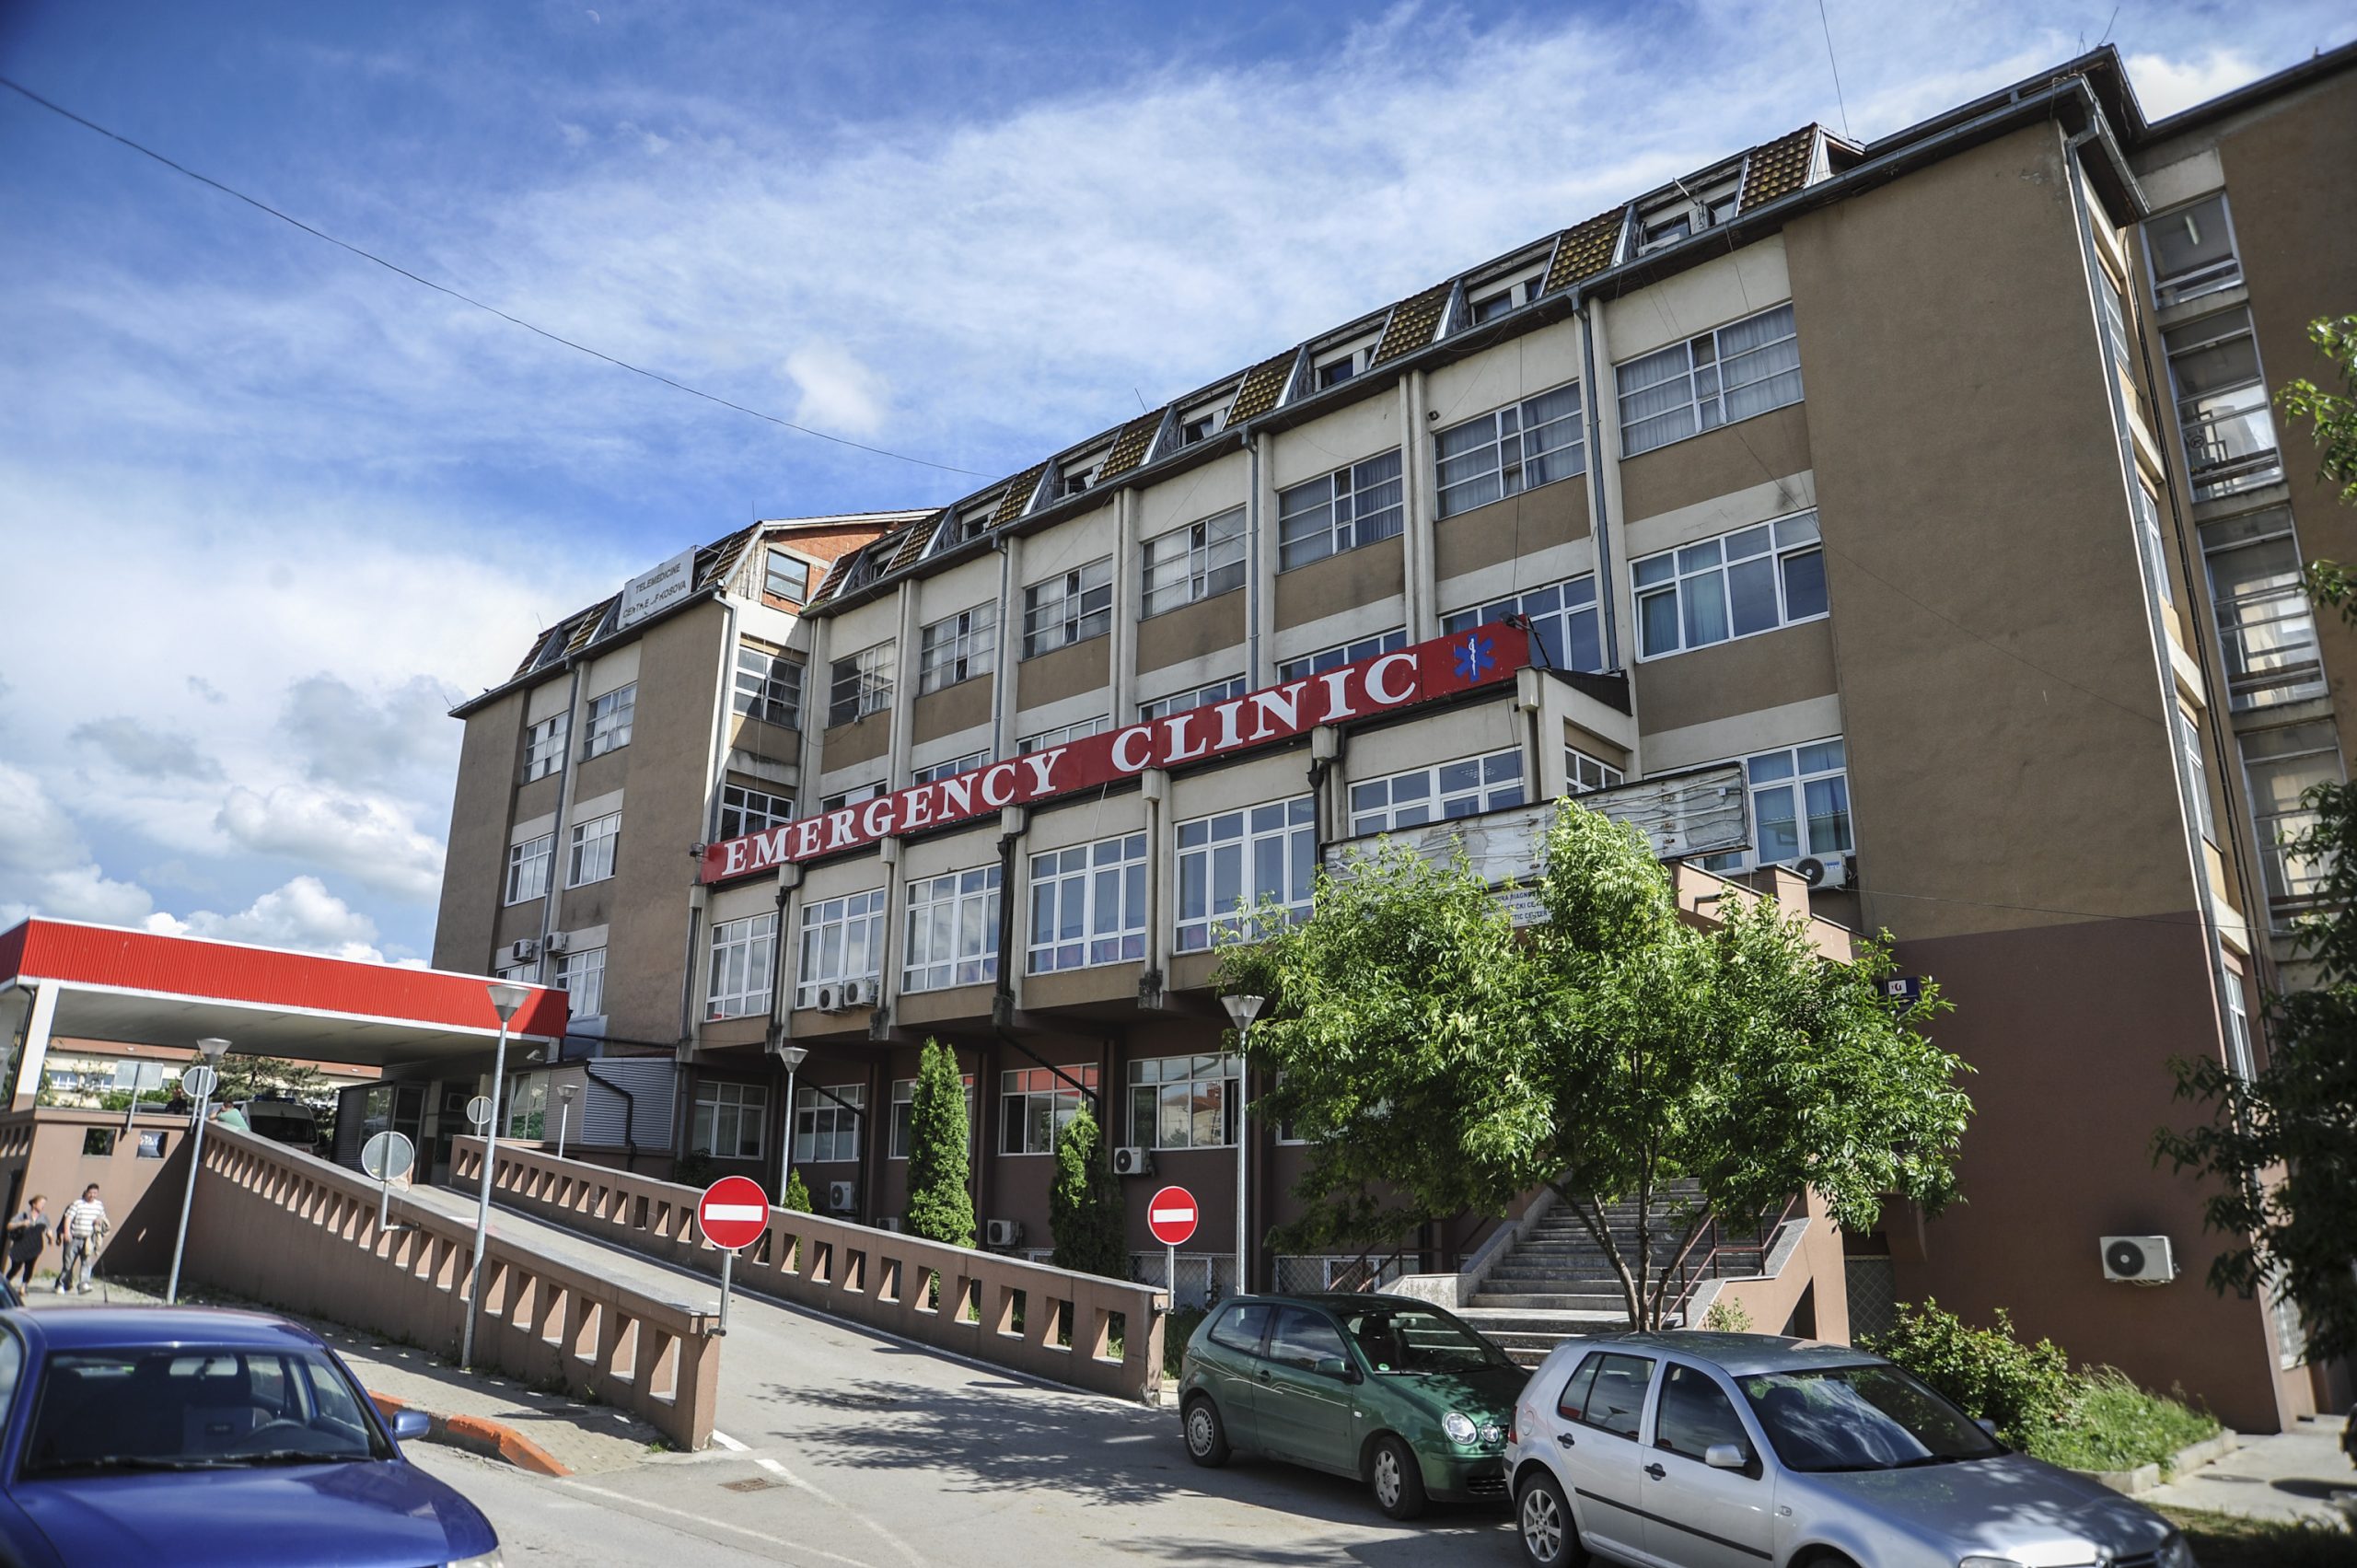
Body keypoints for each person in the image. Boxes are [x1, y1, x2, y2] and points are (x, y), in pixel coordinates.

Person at [54, 1184, 108, 1294]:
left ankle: (84, 1284)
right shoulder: (77, 1203)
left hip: (88, 1239)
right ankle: (61, 1284)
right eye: (90, 1193)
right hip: (74, 1238)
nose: (92, 1195)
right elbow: (68, 1218)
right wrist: (67, 1232)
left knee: (86, 1262)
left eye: (95, 1193)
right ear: (86, 1192)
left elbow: (103, 1218)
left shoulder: (99, 1205)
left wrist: (99, 1220)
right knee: (68, 1264)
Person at [5, 1195, 46, 1289]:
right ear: (34, 1204)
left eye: (44, 1204)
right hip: (21, 1247)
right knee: (15, 1268)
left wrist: (50, 1236)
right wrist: (22, 1223)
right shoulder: (23, 1215)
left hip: (34, 1247)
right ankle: (5, 1283)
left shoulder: (43, 1218)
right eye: (41, 1203)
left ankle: (23, 1287)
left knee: (29, 1268)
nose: (43, 1206)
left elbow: (47, 1228)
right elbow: (9, 1226)